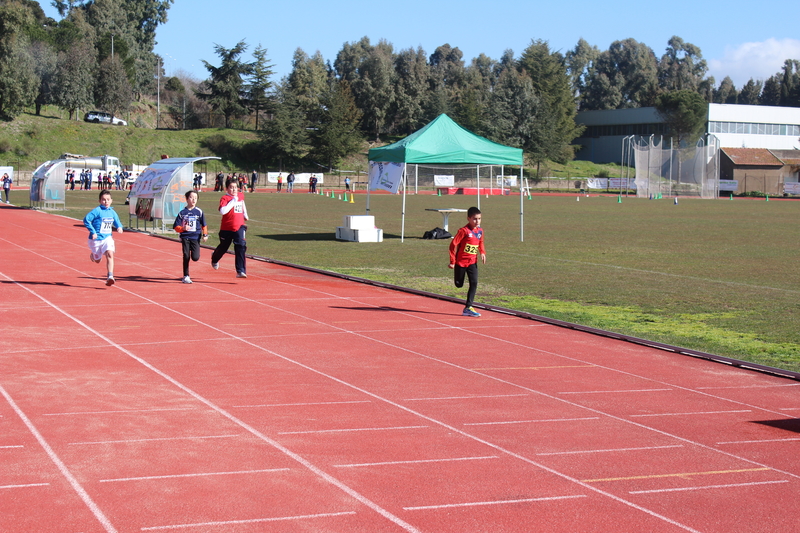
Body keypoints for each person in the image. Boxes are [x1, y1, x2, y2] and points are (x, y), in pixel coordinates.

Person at [448, 206, 486, 317]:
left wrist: (482, 252)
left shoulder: (480, 231)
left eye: (479, 219)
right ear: (468, 219)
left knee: (474, 283)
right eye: (474, 219)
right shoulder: (463, 231)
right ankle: (458, 280)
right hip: (461, 262)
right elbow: (453, 245)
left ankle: (468, 307)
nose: (477, 221)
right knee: (459, 285)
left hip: (472, 262)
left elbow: (480, 242)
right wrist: (452, 261)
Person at [83, 189, 124, 286]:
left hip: (107, 238)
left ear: (111, 200)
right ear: (100, 201)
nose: (106, 202)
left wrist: (119, 227)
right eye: (104, 200)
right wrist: (93, 231)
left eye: (108, 199)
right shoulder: (97, 211)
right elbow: (86, 220)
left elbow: (117, 221)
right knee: (97, 260)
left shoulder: (112, 212)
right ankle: (94, 255)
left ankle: (110, 276)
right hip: (96, 240)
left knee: (110, 254)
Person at [211, 177, 248, 278]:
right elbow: (223, 211)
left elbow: (242, 203)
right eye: (231, 188)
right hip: (226, 228)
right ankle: (215, 258)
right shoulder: (225, 198)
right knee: (223, 247)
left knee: (241, 245)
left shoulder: (240, 195)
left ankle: (240, 270)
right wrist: (233, 201)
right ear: (226, 189)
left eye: (235, 187)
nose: (234, 190)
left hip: (239, 225)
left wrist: (245, 214)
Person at [173, 190, 208, 284]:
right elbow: (175, 227)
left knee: (195, 257)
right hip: (185, 237)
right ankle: (186, 275)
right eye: (191, 197)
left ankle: (187, 273)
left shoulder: (199, 212)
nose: (193, 200)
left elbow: (204, 225)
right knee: (186, 255)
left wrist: (205, 234)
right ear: (187, 199)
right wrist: (183, 228)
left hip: (195, 237)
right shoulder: (182, 213)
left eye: (195, 198)